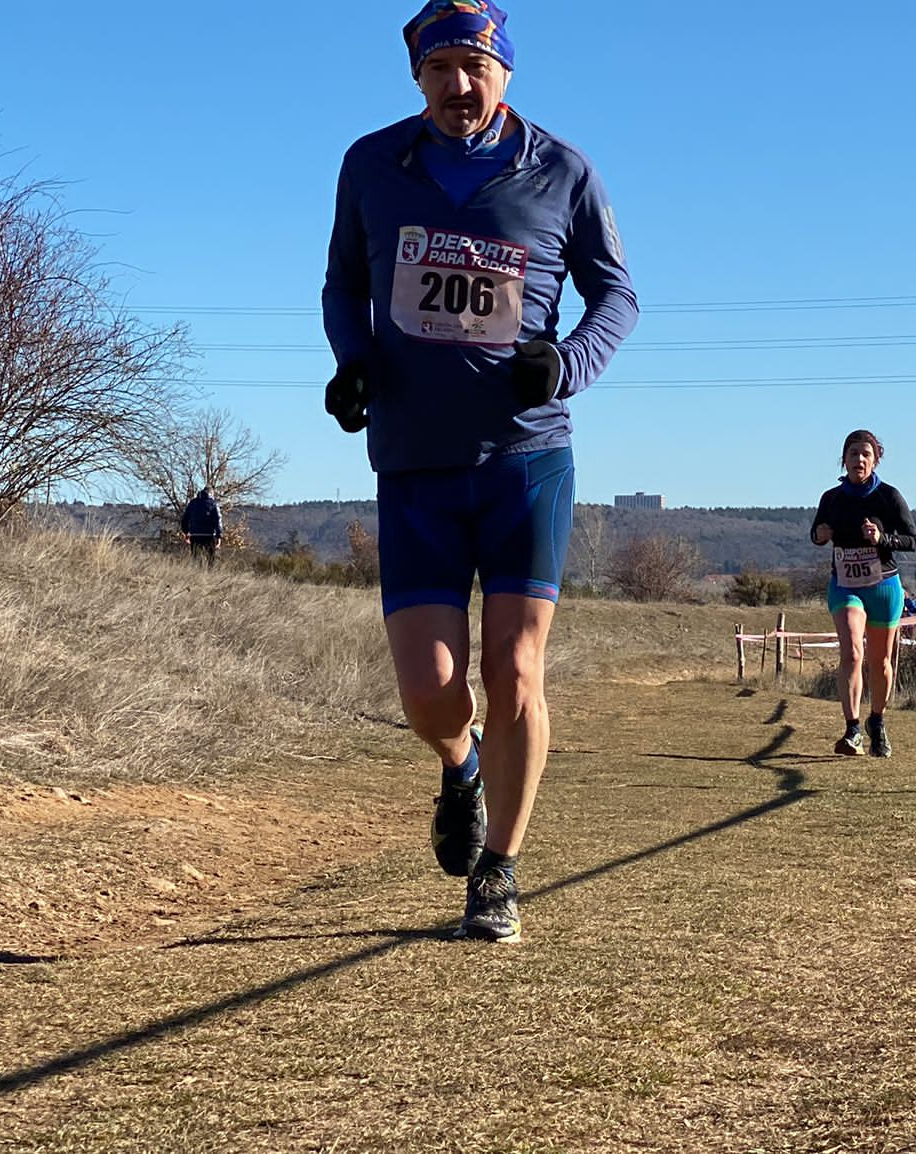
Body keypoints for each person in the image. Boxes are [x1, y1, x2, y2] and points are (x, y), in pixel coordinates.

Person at [321, 1, 638, 944]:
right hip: (415, 458)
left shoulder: (562, 170)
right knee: (429, 688)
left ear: (507, 72)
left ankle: (499, 869)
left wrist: (569, 362)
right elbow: (343, 281)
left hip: (525, 458)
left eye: (478, 68)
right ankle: (459, 769)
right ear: (417, 76)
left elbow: (617, 292)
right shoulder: (373, 165)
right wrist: (353, 361)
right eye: (442, 69)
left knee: (514, 669)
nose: (461, 87)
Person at [811, 430, 916, 758]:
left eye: (865, 454)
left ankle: (877, 721)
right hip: (845, 585)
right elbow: (815, 533)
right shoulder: (831, 498)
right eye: (853, 453)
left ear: (875, 460)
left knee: (880, 660)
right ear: (843, 459)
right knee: (852, 653)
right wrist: (820, 534)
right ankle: (852, 728)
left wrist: (882, 538)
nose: (859, 459)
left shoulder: (888, 497)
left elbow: (912, 540)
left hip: (883, 586)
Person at [181, 487, 222, 567]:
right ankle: (210, 576)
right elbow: (218, 520)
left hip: (195, 535)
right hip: (209, 535)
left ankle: (197, 577)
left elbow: (185, 518)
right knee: (211, 560)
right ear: (211, 493)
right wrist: (218, 536)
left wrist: (186, 532)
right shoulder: (213, 504)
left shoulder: (192, 503)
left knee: (196, 560)